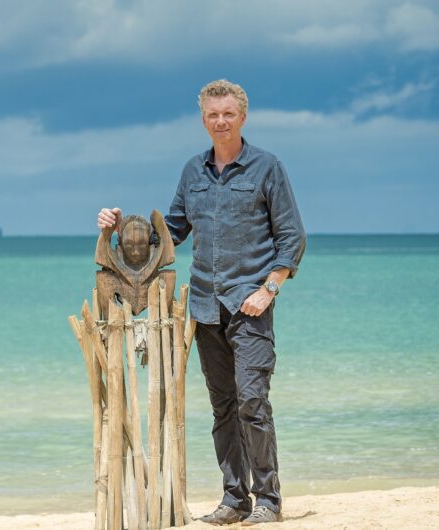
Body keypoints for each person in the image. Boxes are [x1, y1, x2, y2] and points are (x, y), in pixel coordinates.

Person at [97, 79, 306, 526]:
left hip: (250, 308)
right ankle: (235, 500)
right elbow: (169, 232)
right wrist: (118, 230)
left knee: (253, 401)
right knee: (223, 408)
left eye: (229, 113)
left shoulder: (267, 167)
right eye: (213, 114)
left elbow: (292, 237)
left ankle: (267, 500)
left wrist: (268, 288)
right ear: (203, 119)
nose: (221, 121)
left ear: (243, 117)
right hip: (206, 310)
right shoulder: (193, 172)